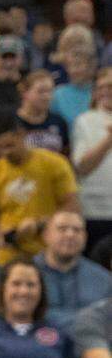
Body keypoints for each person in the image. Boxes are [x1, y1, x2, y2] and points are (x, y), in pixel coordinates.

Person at [0, 112, 80, 267]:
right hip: (8, 257)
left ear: (21, 135)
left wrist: (39, 224)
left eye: (9, 146)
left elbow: (72, 207)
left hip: (49, 254)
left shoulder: (54, 164)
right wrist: (1, 233)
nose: (6, 153)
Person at [34, 210, 112, 330]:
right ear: (46, 235)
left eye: (77, 230)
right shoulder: (24, 275)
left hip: (89, 344)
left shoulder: (104, 280)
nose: (70, 234)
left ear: (85, 237)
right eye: (62, 229)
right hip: (35, 343)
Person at [71, 67, 112, 248]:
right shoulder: (85, 120)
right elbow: (81, 167)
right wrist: (108, 140)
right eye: (101, 87)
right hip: (94, 210)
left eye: (110, 86)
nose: (106, 92)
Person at [17, 70, 71, 155]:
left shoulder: (59, 122)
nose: (47, 96)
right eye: (41, 91)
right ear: (25, 93)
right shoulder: (12, 121)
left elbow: (65, 154)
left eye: (50, 91)